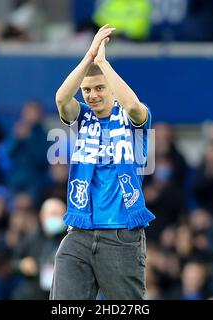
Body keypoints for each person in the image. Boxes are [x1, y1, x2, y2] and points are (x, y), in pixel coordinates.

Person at [50, 24, 155, 300]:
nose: (92, 95)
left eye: (99, 88)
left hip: (122, 234)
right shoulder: (82, 117)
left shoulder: (134, 121)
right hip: (80, 231)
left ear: (112, 88)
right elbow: (62, 98)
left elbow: (133, 106)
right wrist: (88, 58)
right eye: (87, 90)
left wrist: (104, 64)